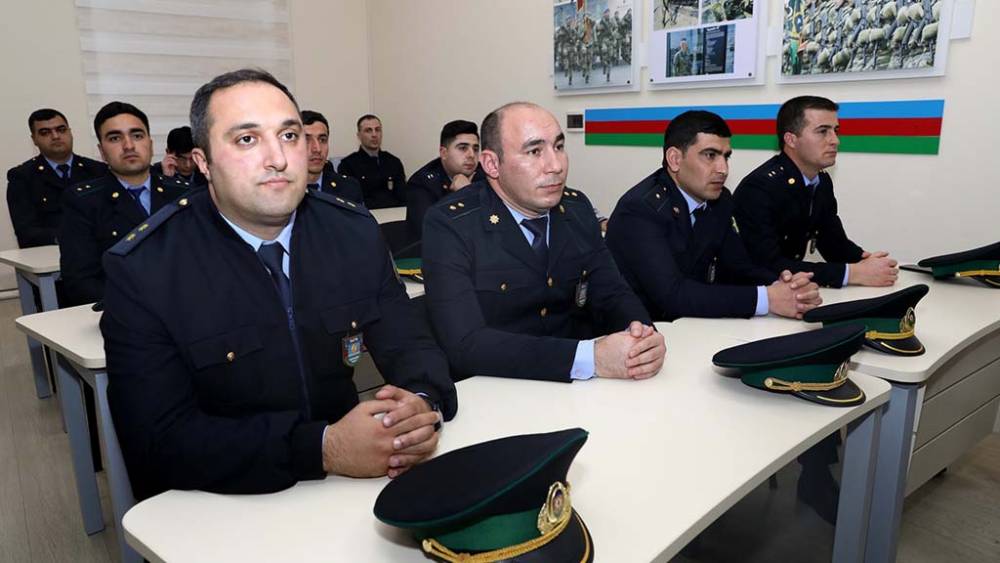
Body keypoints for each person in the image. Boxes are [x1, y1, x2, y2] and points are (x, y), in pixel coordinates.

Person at [101, 69, 457, 501]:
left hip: (353, 481)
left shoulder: (353, 232)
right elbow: (156, 440)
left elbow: (409, 341)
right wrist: (322, 449)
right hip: (222, 496)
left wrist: (421, 402)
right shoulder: (145, 269)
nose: (278, 158)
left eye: (289, 136)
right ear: (203, 162)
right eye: (247, 139)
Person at [422, 102, 665, 383]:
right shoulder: (451, 223)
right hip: (495, 388)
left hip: (581, 388)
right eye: (534, 151)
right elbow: (465, 344)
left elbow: (612, 292)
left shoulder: (576, 208)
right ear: (491, 164)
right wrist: (590, 358)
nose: (556, 166)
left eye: (558, 147)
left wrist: (641, 336)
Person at [606, 110, 822, 321]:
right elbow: (672, 295)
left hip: (693, 324)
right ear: (675, 159)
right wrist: (767, 299)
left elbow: (738, 266)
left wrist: (784, 286)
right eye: (710, 155)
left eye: (726, 156)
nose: (723, 169)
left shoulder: (720, 200)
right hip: (638, 331)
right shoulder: (639, 210)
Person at [734, 95, 898, 288]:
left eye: (836, 130)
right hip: (751, 293)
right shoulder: (759, 188)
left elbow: (833, 242)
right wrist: (852, 273)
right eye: (822, 131)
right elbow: (768, 264)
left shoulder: (821, 181)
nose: (835, 140)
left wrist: (867, 261)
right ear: (791, 140)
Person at [58, 102, 189, 307]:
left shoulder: (183, 193)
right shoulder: (83, 201)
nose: (128, 145)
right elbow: (80, 282)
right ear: (102, 151)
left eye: (137, 135)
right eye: (115, 138)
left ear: (150, 144)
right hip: (123, 310)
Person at [6, 108, 106, 248]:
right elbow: (26, 232)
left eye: (61, 130)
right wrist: (71, 236)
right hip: (49, 255)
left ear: (70, 132)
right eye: (45, 132)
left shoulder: (98, 170)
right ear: (34, 139)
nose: (55, 136)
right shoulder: (22, 177)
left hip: (98, 251)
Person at [405, 119, 486, 242]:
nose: (471, 155)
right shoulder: (422, 184)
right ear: (443, 153)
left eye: (475, 149)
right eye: (463, 148)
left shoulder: (486, 176)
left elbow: (498, 221)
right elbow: (431, 234)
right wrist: (466, 194)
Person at [338, 114, 407, 209]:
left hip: (395, 213)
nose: (374, 135)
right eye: (368, 130)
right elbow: (350, 201)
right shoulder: (348, 165)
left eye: (377, 130)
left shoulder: (394, 162)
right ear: (359, 135)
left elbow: (403, 196)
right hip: (365, 215)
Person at [300, 110, 362, 203]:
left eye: (322, 140)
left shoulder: (349, 188)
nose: (317, 149)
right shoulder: (280, 191)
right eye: (306, 140)